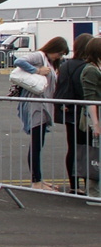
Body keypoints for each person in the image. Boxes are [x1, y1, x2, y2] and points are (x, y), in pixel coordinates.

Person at [12, 38, 67, 189]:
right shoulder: (39, 56)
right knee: (36, 144)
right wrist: (36, 70)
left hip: (44, 105)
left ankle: (38, 179)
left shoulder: (49, 61)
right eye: (60, 53)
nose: (60, 57)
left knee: (38, 143)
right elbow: (19, 61)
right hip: (36, 106)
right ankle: (36, 181)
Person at [54, 33, 93, 192]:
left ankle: (74, 184)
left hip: (70, 112)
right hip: (84, 113)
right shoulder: (87, 67)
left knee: (73, 148)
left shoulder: (66, 65)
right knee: (88, 148)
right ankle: (87, 183)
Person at [81, 37, 101, 200]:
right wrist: (96, 124)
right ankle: (94, 193)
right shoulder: (91, 70)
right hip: (98, 117)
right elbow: (90, 99)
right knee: (96, 155)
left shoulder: (96, 68)